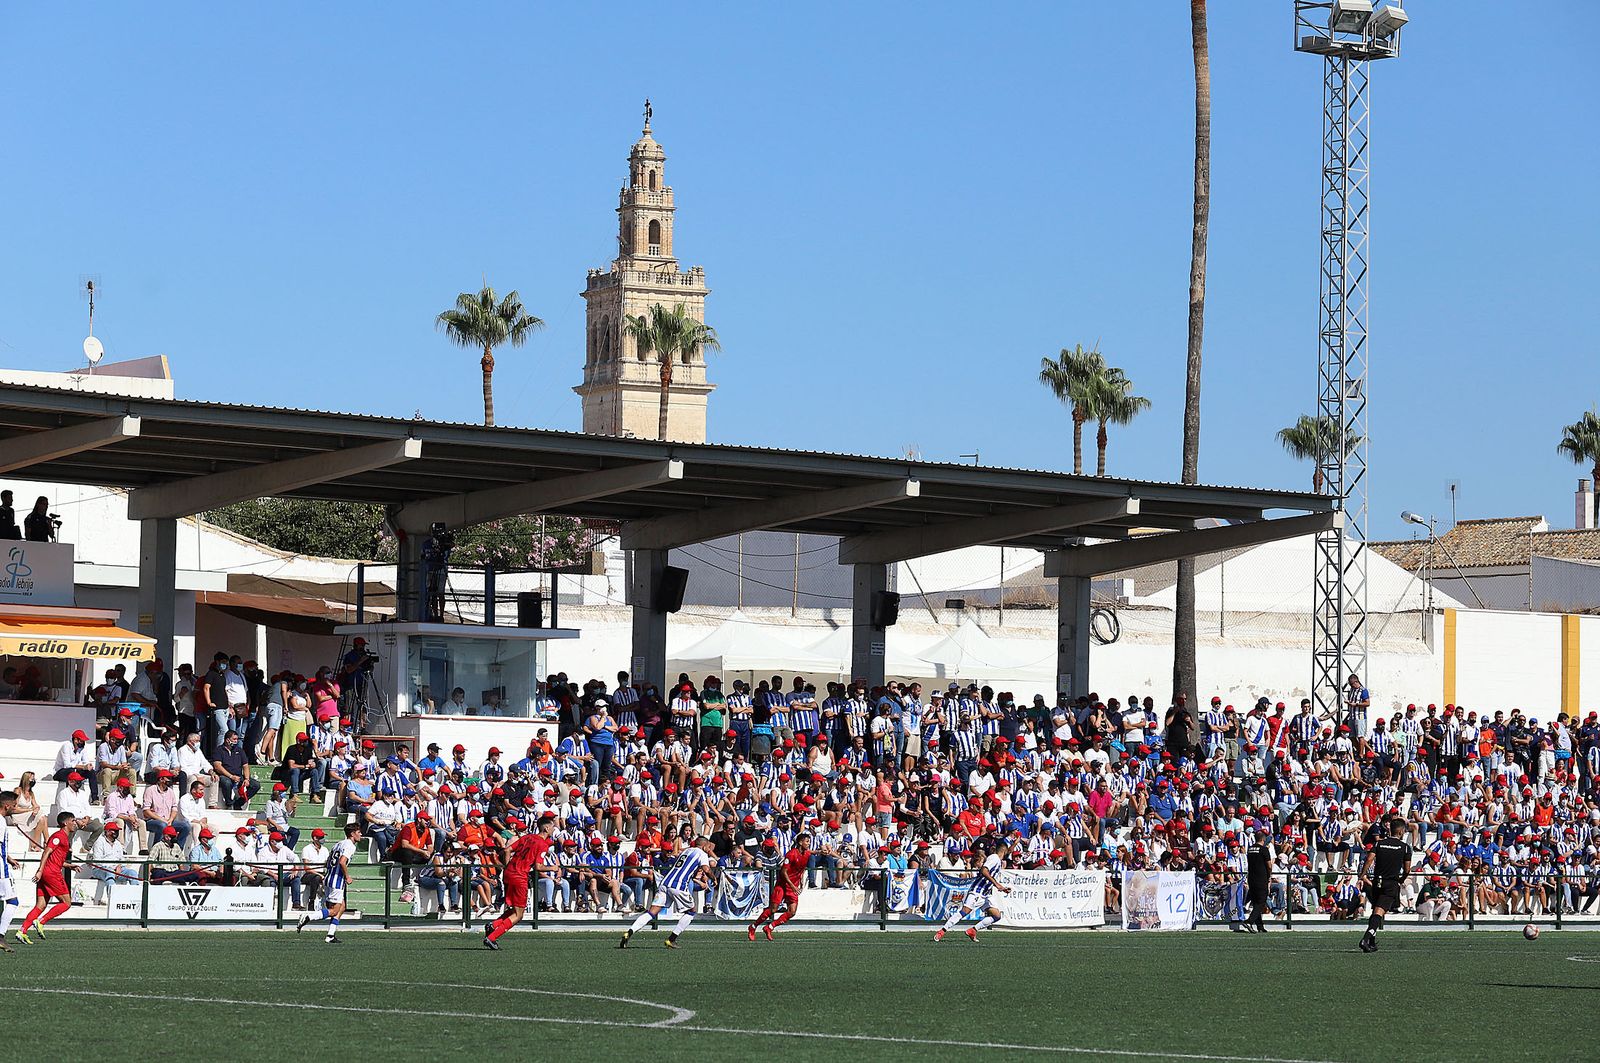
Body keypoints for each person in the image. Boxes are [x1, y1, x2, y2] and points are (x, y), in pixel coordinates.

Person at [618, 835, 716, 950]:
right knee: (691, 912)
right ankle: (671, 939)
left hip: (665, 883)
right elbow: (706, 869)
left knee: (652, 912)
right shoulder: (702, 854)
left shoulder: (687, 851)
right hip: (678, 885)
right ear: (704, 846)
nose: (709, 850)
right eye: (708, 847)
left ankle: (629, 933)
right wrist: (713, 878)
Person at [483, 814, 557, 950]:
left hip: (509, 873)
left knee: (513, 909)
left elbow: (507, 850)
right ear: (546, 828)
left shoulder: (527, 837)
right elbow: (538, 867)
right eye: (552, 826)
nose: (554, 829)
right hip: (520, 876)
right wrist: (552, 867)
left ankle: (493, 925)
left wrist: (507, 866)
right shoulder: (542, 844)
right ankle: (492, 937)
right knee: (519, 915)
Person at [17, 812, 77, 944]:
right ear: (66, 823)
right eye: (73, 820)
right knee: (66, 903)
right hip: (51, 873)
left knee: (41, 905)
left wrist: (68, 866)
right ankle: (41, 921)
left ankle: (22, 931)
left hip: (47, 872)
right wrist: (40, 870)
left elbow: (55, 859)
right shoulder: (58, 836)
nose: (75, 823)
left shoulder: (64, 838)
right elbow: (46, 852)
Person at [297, 822, 362, 943]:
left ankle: (330, 935)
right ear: (352, 834)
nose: (361, 834)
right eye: (358, 832)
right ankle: (308, 916)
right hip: (336, 881)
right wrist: (347, 876)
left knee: (342, 907)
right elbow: (342, 862)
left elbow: (328, 861)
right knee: (334, 911)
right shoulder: (350, 845)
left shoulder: (338, 844)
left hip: (328, 878)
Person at [934, 842, 1010, 943]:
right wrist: (996, 884)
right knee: (964, 912)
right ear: (1004, 850)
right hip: (978, 891)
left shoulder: (997, 860)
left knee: (996, 916)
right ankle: (942, 931)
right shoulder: (994, 858)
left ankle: (973, 930)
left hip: (986, 894)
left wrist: (1002, 887)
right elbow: (983, 870)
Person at [1359, 816, 1412, 954]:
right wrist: (1401, 880)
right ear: (1400, 832)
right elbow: (1407, 870)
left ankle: (1371, 942)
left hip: (1377, 881)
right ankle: (1366, 938)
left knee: (1376, 910)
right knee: (1380, 912)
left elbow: (1369, 859)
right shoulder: (1405, 848)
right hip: (1391, 883)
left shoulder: (1379, 844)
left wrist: (1363, 874)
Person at [749, 830, 810, 941]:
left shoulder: (807, 854)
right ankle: (753, 926)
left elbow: (802, 868)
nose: (808, 843)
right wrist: (792, 885)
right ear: (800, 842)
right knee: (773, 909)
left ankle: (770, 927)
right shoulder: (791, 854)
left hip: (793, 886)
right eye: (807, 841)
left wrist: (800, 880)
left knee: (792, 912)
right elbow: (783, 871)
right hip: (782, 885)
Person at [1244, 824, 1274, 933]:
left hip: (1251, 878)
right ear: (1263, 839)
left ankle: (1260, 926)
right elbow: (1269, 865)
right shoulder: (1264, 850)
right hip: (1261, 878)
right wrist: (1269, 876)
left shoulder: (1250, 849)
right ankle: (1249, 921)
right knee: (1261, 901)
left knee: (1256, 901)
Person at [0, 789, 19, 950]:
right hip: (1, 870)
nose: (15, 808)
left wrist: (9, 858)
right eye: (13, 805)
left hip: (3, 863)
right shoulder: (1, 821)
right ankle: (0, 936)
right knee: (13, 901)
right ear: (6, 806)